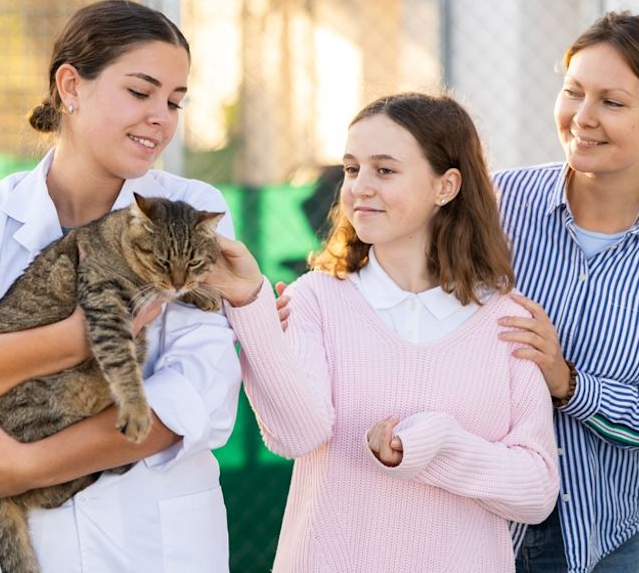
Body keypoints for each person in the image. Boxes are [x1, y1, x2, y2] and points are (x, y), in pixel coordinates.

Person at [209, 93, 559, 572]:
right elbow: (296, 435)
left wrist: (435, 444)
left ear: (446, 186)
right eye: (352, 169)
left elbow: (536, 491)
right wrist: (252, 310)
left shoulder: (507, 320)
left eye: (385, 170)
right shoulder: (316, 300)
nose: (358, 188)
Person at [0, 0, 241, 572]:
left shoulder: (193, 212)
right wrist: (77, 339)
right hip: (5, 542)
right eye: (140, 92)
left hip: (152, 545)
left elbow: (194, 398)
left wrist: (29, 467)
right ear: (71, 86)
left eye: (175, 101)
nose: (161, 116)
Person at [495, 11, 639, 573]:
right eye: (573, 92)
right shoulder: (499, 202)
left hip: (605, 534)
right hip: (479, 519)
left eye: (613, 102)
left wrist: (568, 384)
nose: (583, 118)